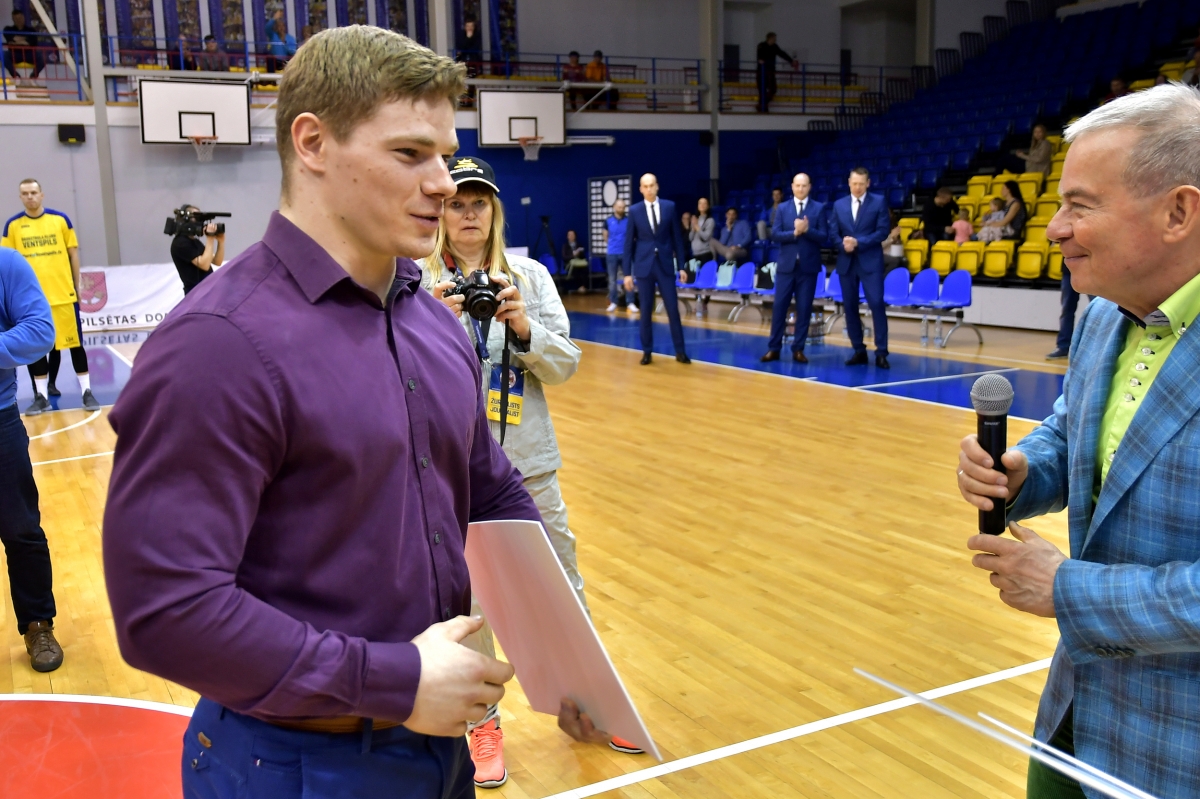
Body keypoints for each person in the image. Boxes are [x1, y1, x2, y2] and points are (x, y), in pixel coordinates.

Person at [101, 28, 610, 799]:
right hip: (291, 763)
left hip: (437, 747)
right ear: (312, 143)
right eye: (410, 154)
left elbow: (491, 488)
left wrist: (567, 661)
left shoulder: (432, 323)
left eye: (445, 155)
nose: (443, 183)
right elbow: (164, 610)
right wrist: (396, 681)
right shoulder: (218, 342)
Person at [957, 83, 1200, 799]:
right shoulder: (1101, 313)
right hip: (1077, 712)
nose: (1055, 228)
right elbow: (1073, 428)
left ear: (1179, 212)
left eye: (1080, 205)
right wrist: (1024, 471)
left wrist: (1070, 590)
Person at [421, 156, 642, 785]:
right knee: (466, 604)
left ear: (493, 211)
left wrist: (524, 328)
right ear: (441, 211)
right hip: (449, 472)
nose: (468, 214)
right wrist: (435, 323)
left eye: (478, 203)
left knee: (561, 587)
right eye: (457, 204)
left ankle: (591, 706)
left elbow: (566, 363)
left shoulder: (532, 276)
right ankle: (483, 725)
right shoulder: (416, 281)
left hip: (528, 463)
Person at [0, 246, 61, 673]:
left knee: (21, 530)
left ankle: (38, 624)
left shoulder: (6, 264)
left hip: (0, 422)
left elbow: (41, 331)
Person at [2, 179, 99, 414]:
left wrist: (76, 286)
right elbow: (6, 262)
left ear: (42, 194)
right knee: (34, 347)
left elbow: (73, 254)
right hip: (29, 301)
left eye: (33, 192)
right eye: (25, 193)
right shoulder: (13, 225)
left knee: (75, 345)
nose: (30, 197)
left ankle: (87, 391)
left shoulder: (60, 220)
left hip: (62, 294)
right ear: (20, 197)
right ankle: (41, 396)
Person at [623, 173, 690, 365]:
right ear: (641, 189)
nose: (649, 189)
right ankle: (647, 351)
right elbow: (628, 244)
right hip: (644, 266)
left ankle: (680, 351)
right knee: (645, 310)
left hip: (665, 265)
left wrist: (682, 266)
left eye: (652, 185)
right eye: (645, 186)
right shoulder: (635, 211)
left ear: (657, 186)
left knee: (673, 309)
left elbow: (677, 239)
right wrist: (627, 273)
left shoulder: (669, 207)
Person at [830, 168, 892, 369]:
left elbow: (883, 232)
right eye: (854, 183)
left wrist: (858, 242)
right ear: (849, 182)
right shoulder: (839, 205)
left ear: (868, 183)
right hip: (846, 262)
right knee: (849, 307)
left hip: (870, 261)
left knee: (876, 304)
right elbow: (833, 233)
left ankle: (881, 352)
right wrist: (843, 244)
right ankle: (858, 349)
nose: (857, 187)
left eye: (861, 184)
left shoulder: (878, 202)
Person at [762, 173, 826, 364]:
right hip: (786, 267)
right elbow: (775, 235)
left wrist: (807, 230)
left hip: (808, 267)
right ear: (792, 187)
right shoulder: (782, 208)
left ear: (809, 187)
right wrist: (795, 233)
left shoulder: (819, 208)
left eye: (804, 185)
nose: (800, 189)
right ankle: (773, 348)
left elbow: (824, 237)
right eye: (797, 185)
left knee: (804, 309)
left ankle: (798, 349)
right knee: (779, 307)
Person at [169, 204, 226, 295]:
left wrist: (221, 242)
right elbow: (204, 265)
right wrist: (210, 239)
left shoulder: (195, 241)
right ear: (186, 219)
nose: (199, 221)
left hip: (207, 291)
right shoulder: (180, 243)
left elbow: (217, 261)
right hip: (195, 294)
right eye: (196, 217)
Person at [603, 199, 636, 312]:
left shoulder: (628, 220)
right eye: (619, 207)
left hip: (626, 254)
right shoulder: (608, 221)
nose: (621, 209)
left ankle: (630, 302)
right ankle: (613, 302)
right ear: (614, 207)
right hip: (612, 254)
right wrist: (612, 245)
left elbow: (632, 236)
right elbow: (605, 236)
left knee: (629, 278)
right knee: (612, 279)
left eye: (623, 207)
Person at [755, 32, 797, 112]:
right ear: (770, 38)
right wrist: (760, 60)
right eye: (774, 38)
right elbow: (759, 54)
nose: (775, 40)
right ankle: (763, 107)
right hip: (762, 71)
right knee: (762, 90)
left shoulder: (774, 47)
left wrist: (791, 61)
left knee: (773, 89)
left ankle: (762, 105)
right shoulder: (761, 45)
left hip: (770, 71)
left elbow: (782, 53)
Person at [1046, 264, 1079, 360]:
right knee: (1066, 310)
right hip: (1069, 270)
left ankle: (1100, 348)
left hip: (1090, 269)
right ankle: (1063, 347)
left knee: (1099, 309)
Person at [3, 10, 44, 80]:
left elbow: (32, 42)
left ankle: (33, 76)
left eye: (20, 18)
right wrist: (25, 40)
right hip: (14, 53)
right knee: (3, 55)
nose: (18, 20)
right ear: (13, 19)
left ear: (23, 18)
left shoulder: (31, 30)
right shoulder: (8, 29)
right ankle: (16, 76)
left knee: (41, 56)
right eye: (16, 18)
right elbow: (11, 38)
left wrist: (15, 42)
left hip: (29, 53)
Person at [689, 197, 715, 263]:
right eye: (700, 203)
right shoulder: (695, 219)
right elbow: (690, 238)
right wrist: (693, 228)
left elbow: (706, 237)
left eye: (704, 203)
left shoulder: (710, 220)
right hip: (695, 253)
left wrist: (697, 227)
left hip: (705, 253)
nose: (702, 205)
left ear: (708, 206)